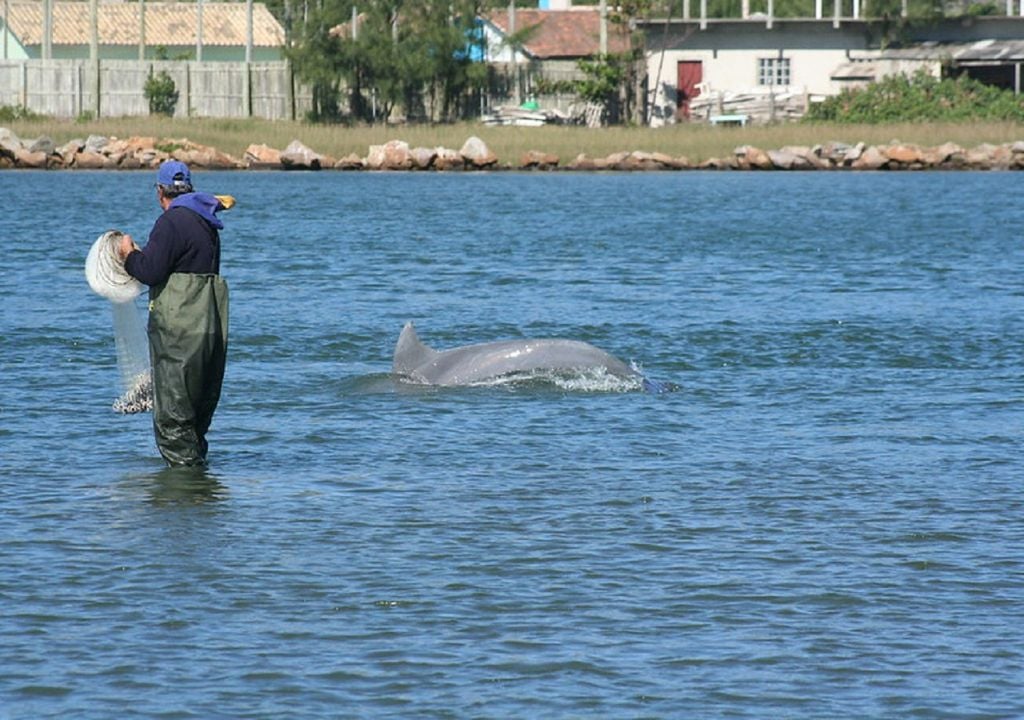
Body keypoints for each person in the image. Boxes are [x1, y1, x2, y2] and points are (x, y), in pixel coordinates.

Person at [118, 160, 230, 466]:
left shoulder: (170, 223)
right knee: (195, 420)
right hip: (208, 331)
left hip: (179, 335)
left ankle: (180, 503)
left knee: (174, 422)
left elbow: (150, 272)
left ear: (159, 192)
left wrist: (129, 255)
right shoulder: (207, 223)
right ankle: (200, 496)